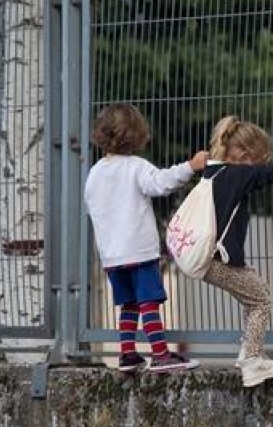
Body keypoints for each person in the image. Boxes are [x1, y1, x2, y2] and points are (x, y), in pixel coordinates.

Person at [85, 103, 205, 373]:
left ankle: (128, 354)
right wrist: (190, 166)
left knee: (128, 303)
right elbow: (161, 183)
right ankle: (161, 355)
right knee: (148, 301)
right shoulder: (136, 167)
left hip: (111, 255)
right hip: (139, 250)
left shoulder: (94, 173)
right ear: (136, 135)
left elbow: (92, 205)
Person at [202, 115, 273, 387]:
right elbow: (265, 175)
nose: (262, 165)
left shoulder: (213, 172)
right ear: (247, 156)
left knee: (253, 294)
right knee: (261, 301)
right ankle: (253, 361)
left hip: (209, 257)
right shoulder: (239, 173)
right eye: (261, 159)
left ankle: (248, 351)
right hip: (218, 259)